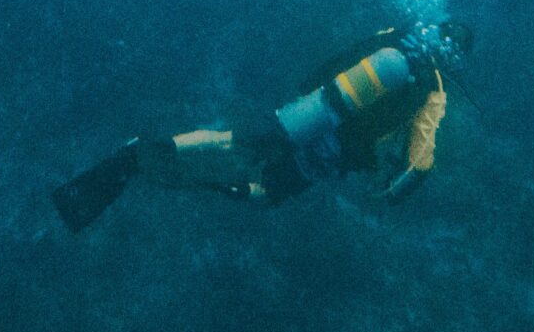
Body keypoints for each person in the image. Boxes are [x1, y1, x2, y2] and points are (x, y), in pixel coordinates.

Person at [53, 20, 469, 232]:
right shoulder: (433, 91)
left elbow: (345, 55)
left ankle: (150, 148)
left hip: (311, 110)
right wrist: (392, 193)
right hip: (334, 151)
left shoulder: (395, 35)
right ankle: (174, 171)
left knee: (234, 141)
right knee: (269, 191)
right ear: (454, 57)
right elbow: (421, 156)